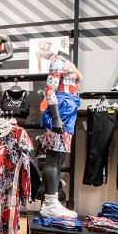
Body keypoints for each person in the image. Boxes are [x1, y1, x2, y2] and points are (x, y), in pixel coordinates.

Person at [38, 39, 81, 218]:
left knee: (60, 157)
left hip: (68, 111)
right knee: (54, 157)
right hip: (61, 111)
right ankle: (49, 202)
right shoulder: (58, 62)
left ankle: (54, 200)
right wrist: (56, 117)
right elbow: (50, 90)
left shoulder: (67, 62)